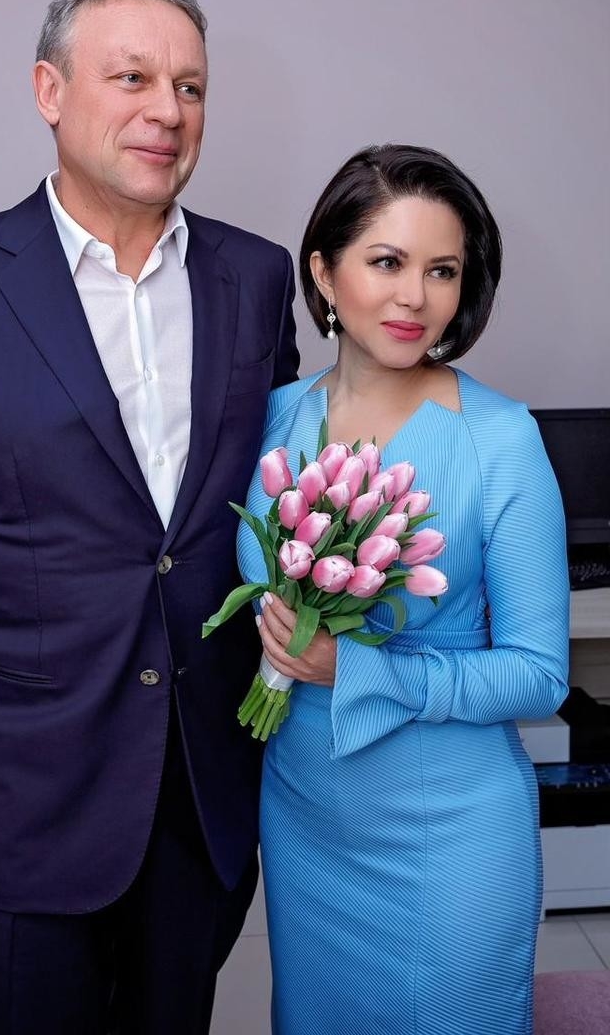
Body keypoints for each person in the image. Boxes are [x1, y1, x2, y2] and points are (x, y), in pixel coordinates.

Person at [0, 0, 299, 1035]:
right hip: (21, 791)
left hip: (202, 784)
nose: (166, 111)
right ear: (50, 91)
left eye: (190, 86)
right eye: (132, 77)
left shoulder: (256, 277)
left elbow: (275, 509)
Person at [237, 144, 570, 1035]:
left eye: (442, 271)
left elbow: (540, 675)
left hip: (449, 833)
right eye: (387, 262)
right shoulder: (272, 417)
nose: (415, 297)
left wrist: (356, 668)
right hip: (303, 818)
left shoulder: (500, 439)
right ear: (324, 272)